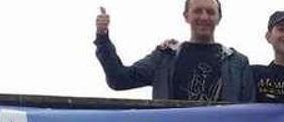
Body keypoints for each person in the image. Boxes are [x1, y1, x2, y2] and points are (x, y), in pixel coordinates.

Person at [94, 0, 254, 103]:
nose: (204, 17)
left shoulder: (238, 62)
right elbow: (119, 79)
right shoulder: (164, 57)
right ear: (186, 16)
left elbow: (250, 112)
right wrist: (102, 38)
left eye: (210, 12)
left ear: (219, 18)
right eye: (198, 11)